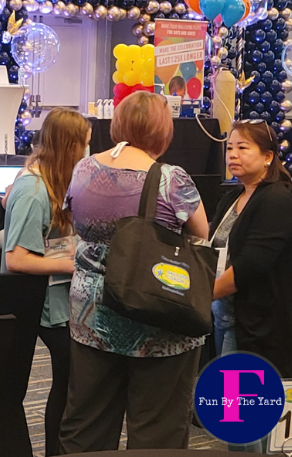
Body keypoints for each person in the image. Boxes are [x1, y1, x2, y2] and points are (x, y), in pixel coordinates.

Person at [59, 91, 209, 453]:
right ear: (164, 130)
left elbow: (71, 216)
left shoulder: (85, 167)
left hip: (91, 318)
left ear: (119, 124)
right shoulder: (172, 180)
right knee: (157, 429)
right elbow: (201, 233)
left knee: (87, 422)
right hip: (158, 318)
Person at [1, 106, 90, 457]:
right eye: (83, 144)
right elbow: (17, 259)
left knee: (68, 381)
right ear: (69, 146)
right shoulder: (34, 190)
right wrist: (70, 265)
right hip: (36, 302)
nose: (87, 152)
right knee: (66, 379)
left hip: (53, 300)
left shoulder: (51, 182)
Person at [210, 120, 292, 452]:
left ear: (267, 157)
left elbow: (249, 267)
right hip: (226, 317)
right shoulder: (232, 197)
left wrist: (200, 295)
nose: (232, 155)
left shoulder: (276, 200)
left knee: (245, 421)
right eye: (229, 148)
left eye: (242, 148)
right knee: (234, 418)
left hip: (261, 325)